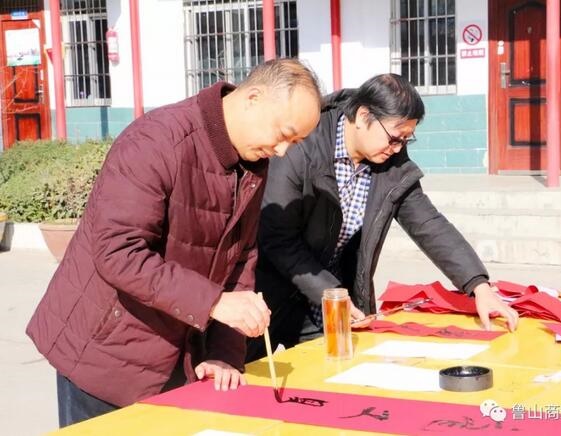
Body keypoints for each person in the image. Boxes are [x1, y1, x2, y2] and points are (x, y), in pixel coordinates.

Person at [26, 58, 322, 427]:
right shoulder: (157, 140)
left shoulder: (251, 161)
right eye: (283, 134)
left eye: (294, 143)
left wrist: (224, 353)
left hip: (178, 350)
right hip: (104, 351)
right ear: (254, 99)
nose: (282, 152)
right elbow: (118, 252)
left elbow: (241, 259)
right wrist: (214, 303)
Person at [247, 74, 519, 361]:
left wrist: (478, 286)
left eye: (406, 140)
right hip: (270, 294)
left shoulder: (390, 163)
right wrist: (330, 291)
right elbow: (277, 238)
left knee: (333, 374)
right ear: (363, 116)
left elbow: (428, 223)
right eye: (393, 138)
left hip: (331, 302)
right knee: (248, 376)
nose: (397, 148)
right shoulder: (303, 144)